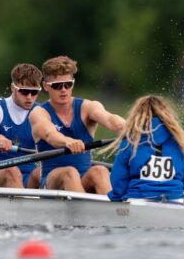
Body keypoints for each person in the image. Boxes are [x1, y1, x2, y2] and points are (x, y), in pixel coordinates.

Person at [29, 55, 124, 195]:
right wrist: (67, 141)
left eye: (67, 84)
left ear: (73, 83)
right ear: (45, 86)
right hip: (51, 183)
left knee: (100, 170)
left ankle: (113, 214)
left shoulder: (88, 107)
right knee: (70, 172)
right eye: (56, 85)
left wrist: (136, 129)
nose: (63, 89)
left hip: (83, 180)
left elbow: (111, 121)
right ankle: (89, 214)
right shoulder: (39, 113)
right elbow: (50, 135)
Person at [106, 95, 184, 202]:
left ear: (136, 115)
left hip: (138, 199)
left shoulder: (130, 142)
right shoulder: (181, 141)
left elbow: (118, 183)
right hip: (176, 199)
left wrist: (116, 199)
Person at [0, 63, 42, 189]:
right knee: (12, 171)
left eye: (34, 92)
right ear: (13, 88)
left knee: (51, 171)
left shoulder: (41, 112)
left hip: (29, 179)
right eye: (24, 91)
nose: (29, 97)